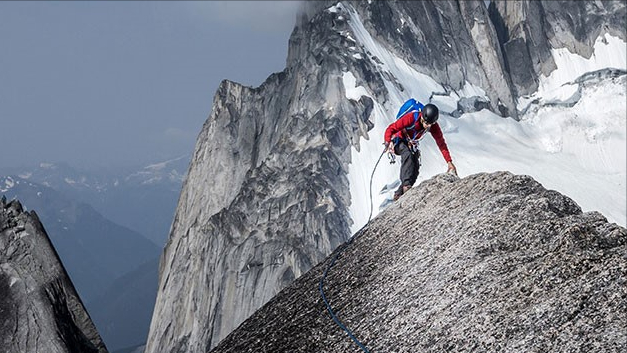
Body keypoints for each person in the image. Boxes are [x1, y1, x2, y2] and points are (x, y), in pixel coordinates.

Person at [384, 103, 457, 200]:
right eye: (426, 123)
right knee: (408, 154)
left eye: (430, 124)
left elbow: (441, 143)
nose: (427, 126)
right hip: (398, 140)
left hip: (411, 143)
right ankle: (406, 187)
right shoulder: (411, 118)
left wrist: (449, 162)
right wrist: (387, 141)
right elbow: (392, 128)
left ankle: (399, 193)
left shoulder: (433, 126)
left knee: (415, 166)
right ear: (422, 117)